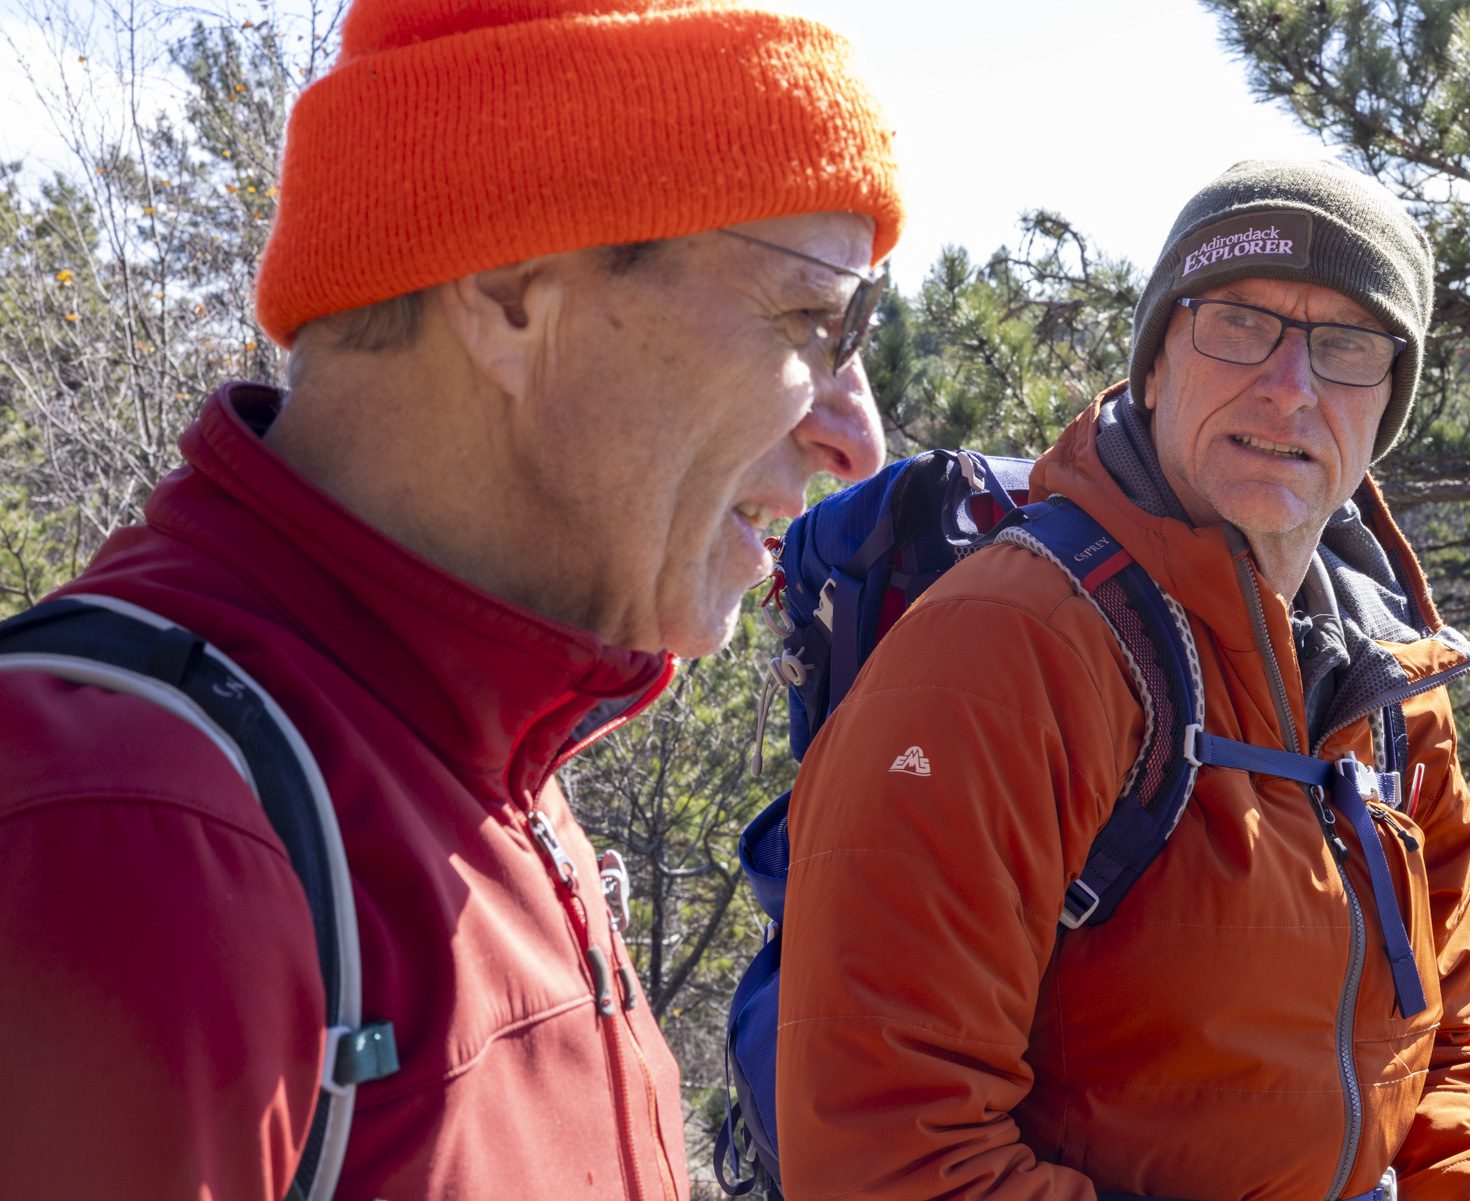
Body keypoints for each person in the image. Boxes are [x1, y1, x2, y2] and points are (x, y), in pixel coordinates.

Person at [0, 0, 899, 1195]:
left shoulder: (485, 751)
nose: (860, 438)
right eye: (811, 318)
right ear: (513, 285)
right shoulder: (129, 846)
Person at [775, 160, 1470, 1201]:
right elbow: (896, 1157)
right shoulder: (1006, 653)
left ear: (1387, 408)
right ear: (1153, 363)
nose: (1290, 387)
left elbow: (1451, 1046)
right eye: (1240, 323)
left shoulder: (1392, 686)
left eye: (1349, 346)